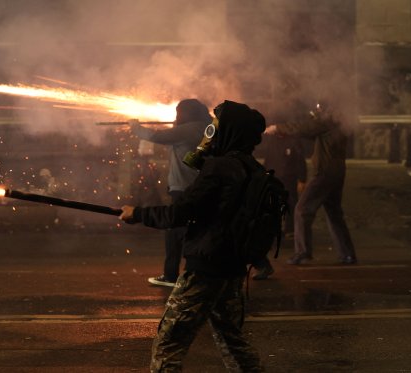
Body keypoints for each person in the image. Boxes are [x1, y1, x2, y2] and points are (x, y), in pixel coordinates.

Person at [120, 100, 266, 372]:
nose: (211, 130)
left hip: (206, 266)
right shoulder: (252, 168)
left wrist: (138, 214)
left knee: (169, 343)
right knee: (232, 341)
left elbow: (180, 213)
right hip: (232, 267)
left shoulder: (219, 168)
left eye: (217, 125)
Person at [129, 98, 211, 287]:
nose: (176, 116)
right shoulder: (205, 128)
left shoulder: (189, 129)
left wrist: (136, 128)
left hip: (184, 187)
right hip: (197, 186)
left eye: (178, 113)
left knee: (174, 231)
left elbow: (158, 137)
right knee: (205, 228)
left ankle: (171, 275)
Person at [264, 100, 357, 265]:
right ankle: (347, 254)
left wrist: (277, 128)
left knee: (301, 210)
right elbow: (307, 131)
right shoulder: (337, 123)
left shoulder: (328, 121)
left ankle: (303, 252)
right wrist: (284, 132)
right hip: (337, 172)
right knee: (334, 214)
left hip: (325, 172)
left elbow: (303, 127)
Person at [251, 122, 308, 280]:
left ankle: (289, 230)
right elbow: (268, 157)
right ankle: (275, 232)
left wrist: (302, 179)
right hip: (274, 178)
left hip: (289, 179)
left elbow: (300, 161)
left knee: (290, 204)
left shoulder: (293, 141)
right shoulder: (272, 139)